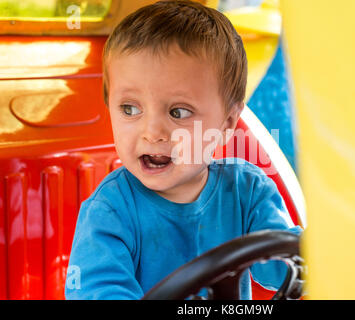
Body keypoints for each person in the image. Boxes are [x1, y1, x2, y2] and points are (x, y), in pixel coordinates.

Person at [65, 0, 302, 300]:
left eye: (178, 112)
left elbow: (285, 265)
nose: (152, 132)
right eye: (129, 108)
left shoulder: (248, 192)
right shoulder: (110, 212)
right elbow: (99, 292)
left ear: (226, 124)